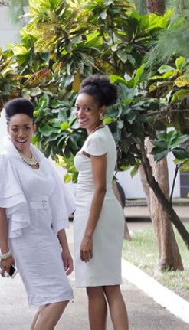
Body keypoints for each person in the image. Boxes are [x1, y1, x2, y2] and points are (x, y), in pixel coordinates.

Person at [0, 98, 75, 329]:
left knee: (49, 298)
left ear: (34, 127)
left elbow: (56, 206)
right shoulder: (5, 162)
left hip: (46, 235)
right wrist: (5, 253)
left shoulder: (41, 159)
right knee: (60, 294)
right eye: (15, 128)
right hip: (25, 237)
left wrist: (64, 247)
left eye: (26, 127)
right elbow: (0, 211)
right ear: (7, 129)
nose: (20, 134)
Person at [74, 76, 129, 330]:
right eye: (78, 107)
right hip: (100, 213)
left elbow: (99, 188)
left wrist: (87, 235)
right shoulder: (101, 135)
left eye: (87, 108)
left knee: (100, 287)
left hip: (96, 216)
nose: (81, 113)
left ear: (101, 110)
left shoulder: (96, 140)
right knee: (104, 286)